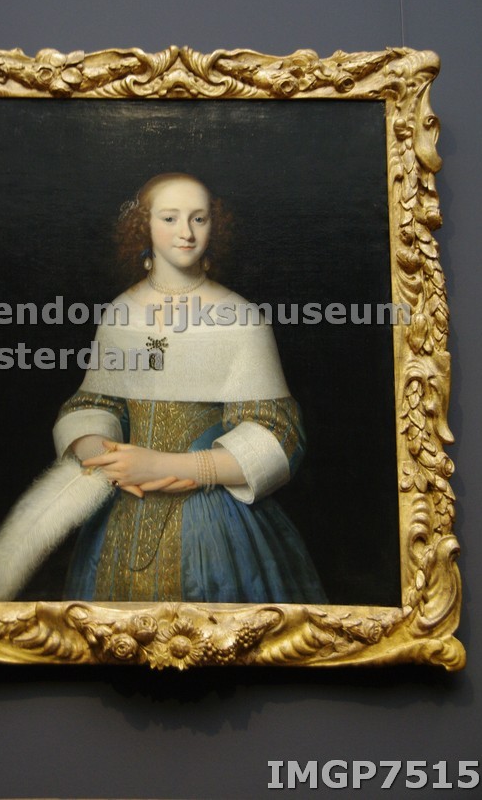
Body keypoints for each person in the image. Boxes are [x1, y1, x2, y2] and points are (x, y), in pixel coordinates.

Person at [53, 172, 326, 603]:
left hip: (214, 523)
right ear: (143, 225)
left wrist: (170, 466)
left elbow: (279, 435)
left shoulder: (241, 318)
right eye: (170, 218)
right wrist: (106, 457)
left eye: (199, 219)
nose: (186, 232)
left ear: (214, 225)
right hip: (123, 514)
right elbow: (94, 403)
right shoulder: (120, 312)